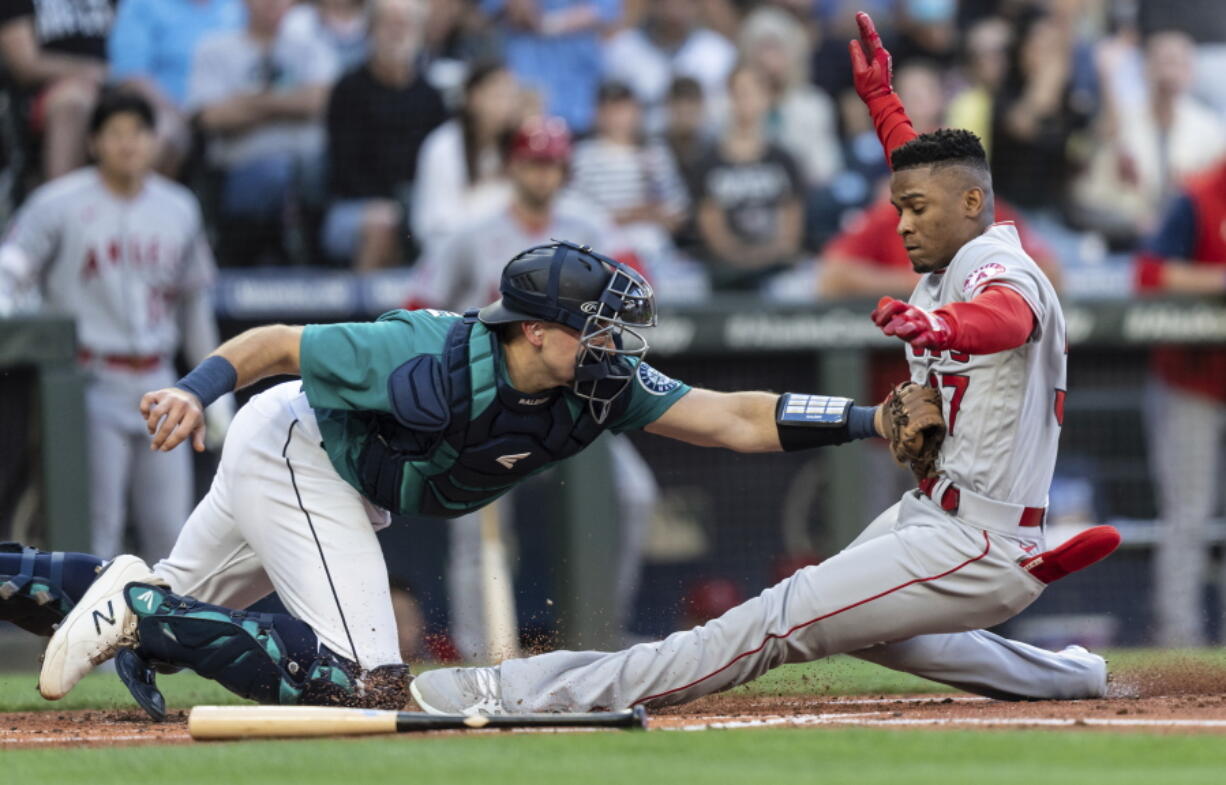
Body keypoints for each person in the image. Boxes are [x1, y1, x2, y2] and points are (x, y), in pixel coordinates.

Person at [406, 12, 1119, 717]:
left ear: (970, 204)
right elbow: (925, 176)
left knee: (779, 615)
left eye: (918, 210)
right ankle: (1065, 675)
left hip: (977, 534)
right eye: (900, 208)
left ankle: (530, 691)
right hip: (936, 514)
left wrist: (940, 324)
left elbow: (1006, 318)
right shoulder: (954, 232)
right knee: (891, 636)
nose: (902, 223)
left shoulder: (998, 266)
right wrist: (883, 104)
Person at [8, 203, 923, 718]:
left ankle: (89, 591)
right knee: (367, 689)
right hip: (297, 449)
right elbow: (274, 341)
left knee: (171, 607)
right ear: (536, 330)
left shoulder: (596, 381)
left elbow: (731, 418)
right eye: (595, 325)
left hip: (333, 469)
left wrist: (865, 417)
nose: (614, 340)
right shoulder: (425, 352)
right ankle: (139, 603)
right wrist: (193, 387)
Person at [0, 91, 230, 562]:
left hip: (162, 381)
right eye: (117, 133)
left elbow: (193, 304)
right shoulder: (57, 203)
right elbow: (10, 268)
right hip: (89, 380)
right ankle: (91, 637)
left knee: (172, 533)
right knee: (94, 532)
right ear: (94, 142)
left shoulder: (179, 206)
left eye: (138, 133)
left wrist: (216, 394)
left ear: (153, 141)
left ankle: (161, 636)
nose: (129, 144)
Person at [1134, 157, 1226, 647]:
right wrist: (1218, 282)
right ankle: (1179, 639)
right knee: (1189, 514)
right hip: (1190, 381)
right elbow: (1148, 274)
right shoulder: (1199, 195)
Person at [186, 0, 339, 266]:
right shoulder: (215, 48)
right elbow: (212, 116)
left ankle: (315, 259)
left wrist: (249, 101)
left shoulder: (311, 47)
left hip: (309, 166)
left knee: (319, 169)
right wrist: (288, 102)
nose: (273, 4)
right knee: (273, 173)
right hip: (239, 169)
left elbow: (319, 101)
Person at [322, 0, 446, 270]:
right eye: (388, 23)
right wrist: (395, 206)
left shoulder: (431, 97)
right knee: (384, 222)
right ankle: (367, 310)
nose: (396, 32)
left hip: (417, 204)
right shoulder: (348, 89)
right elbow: (343, 169)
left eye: (405, 24)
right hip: (354, 207)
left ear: (419, 32)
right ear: (370, 30)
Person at [692, 63, 804, 292]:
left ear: (767, 99)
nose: (746, 101)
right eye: (739, 93)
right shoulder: (708, 163)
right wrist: (744, 259)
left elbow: (792, 228)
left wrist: (765, 257)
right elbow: (712, 230)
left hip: (777, 270)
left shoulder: (784, 160)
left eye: (754, 92)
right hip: (723, 270)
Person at [107, 0, 245, 175]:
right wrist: (179, 113)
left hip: (232, 111)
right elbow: (130, 74)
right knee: (163, 133)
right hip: (167, 110)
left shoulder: (238, 5)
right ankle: (136, 199)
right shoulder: (142, 4)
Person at [569, 81, 689, 275]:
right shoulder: (583, 157)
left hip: (656, 252)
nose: (619, 118)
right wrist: (630, 215)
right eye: (612, 110)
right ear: (598, 113)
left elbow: (678, 211)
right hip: (603, 255)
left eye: (624, 109)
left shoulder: (655, 154)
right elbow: (575, 216)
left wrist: (656, 215)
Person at [410, 61, 521, 251]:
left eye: (511, 96)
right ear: (473, 97)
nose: (506, 104)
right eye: (498, 95)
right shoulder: (443, 146)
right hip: (452, 253)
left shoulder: (517, 147)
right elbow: (434, 224)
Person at [0, 0, 112, 179]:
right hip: (42, 96)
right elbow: (25, 64)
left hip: (113, 87)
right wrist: (90, 71)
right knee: (75, 100)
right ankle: (61, 201)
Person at [479, 0, 620, 134]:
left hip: (578, 89)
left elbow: (606, 9)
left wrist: (551, 23)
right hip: (527, 73)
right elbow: (493, 9)